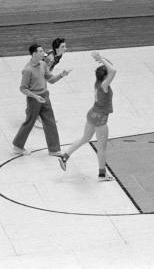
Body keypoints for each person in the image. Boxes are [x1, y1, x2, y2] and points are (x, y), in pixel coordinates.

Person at [58, 51, 116, 181]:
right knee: (102, 148)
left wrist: (101, 60)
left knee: (85, 138)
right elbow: (113, 70)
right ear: (106, 76)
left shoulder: (98, 82)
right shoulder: (104, 85)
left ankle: (65, 156)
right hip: (100, 118)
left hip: (91, 114)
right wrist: (100, 58)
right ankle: (102, 174)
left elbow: (110, 68)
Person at [12, 44, 71, 156]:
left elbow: (51, 80)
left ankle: (54, 149)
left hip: (44, 96)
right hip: (34, 99)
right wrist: (34, 96)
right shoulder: (27, 70)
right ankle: (17, 146)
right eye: (40, 51)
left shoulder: (43, 65)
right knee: (29, 122)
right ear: (34, 54)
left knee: (50, 121)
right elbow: (23, 88)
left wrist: (62, 75)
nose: (43, 53)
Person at [35, 37, 68, 128]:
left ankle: (41, 116)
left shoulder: (58, 54)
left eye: (65, 46)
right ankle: (37, 118)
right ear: (57, 48)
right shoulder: (51, 58)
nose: (65, 48)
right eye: (63, 46)